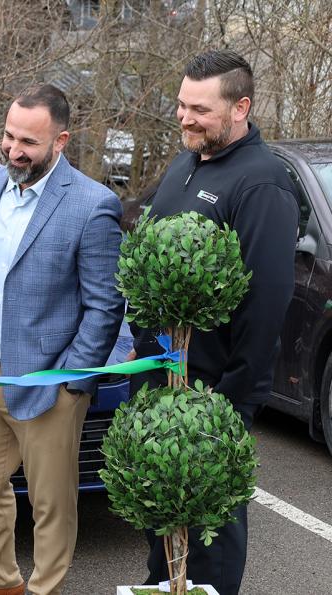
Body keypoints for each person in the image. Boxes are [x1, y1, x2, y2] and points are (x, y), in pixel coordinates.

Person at [0, 84, 124, 595]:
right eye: (8, 136)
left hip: (50, 382)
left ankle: (46, 589)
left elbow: (105, 305)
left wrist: (72, 382)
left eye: (28, 142)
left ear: (60, 141)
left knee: (51, 503)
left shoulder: (93, 206)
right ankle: (1, 581)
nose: (13, 150)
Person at [131, 49, 298, 595]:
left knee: (209, 539)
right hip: (163, 384)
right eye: (181, 104)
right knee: (166, 538)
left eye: (199, 109)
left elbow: (265, 304)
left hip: (211, 397)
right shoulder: (187, 163)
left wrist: (231, 405)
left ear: (240, 107)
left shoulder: (262, 182)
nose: (184, 118)